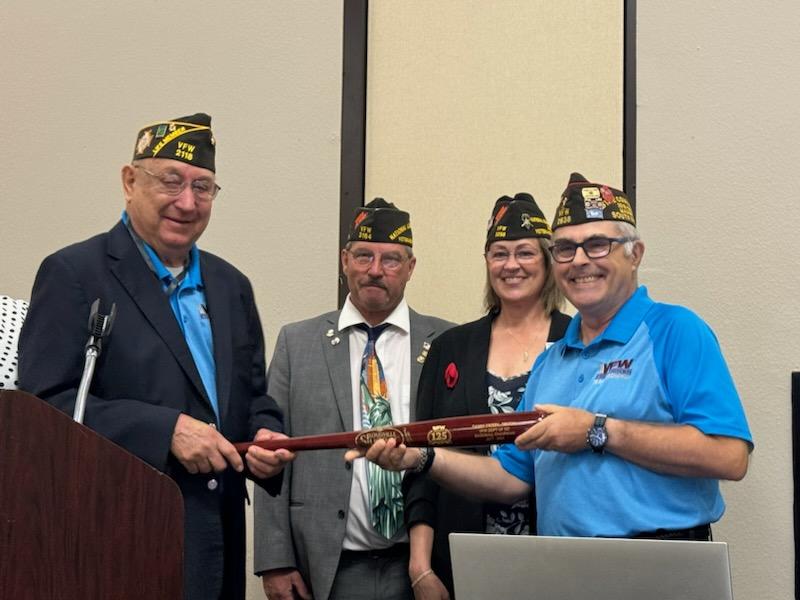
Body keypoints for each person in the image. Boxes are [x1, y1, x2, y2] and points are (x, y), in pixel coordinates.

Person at [348, 172, 752, 547]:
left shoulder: (675, 330)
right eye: (565, 248)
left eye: (597, 244)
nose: (579, 260)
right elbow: (511, 477)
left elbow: (729, 456)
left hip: (660, 559)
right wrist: (419, 456)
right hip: (563, 565)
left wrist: (597, 431)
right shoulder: (552, 361)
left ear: (635, 254)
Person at [18, 113, 293, 600]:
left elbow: (251, 398)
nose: (187, 203)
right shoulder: (74, 274)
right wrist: (163, 430)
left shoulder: (232, 287)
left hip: (218, 549)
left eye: (203, 187)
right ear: (129, 181)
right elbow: (42, 413)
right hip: (117, 543)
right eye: (171, 181)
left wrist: (264, 436)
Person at [253, 198, 453, 600]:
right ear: (345, 260)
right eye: (364, 256)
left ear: (410, 268)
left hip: (419, 565)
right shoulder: (297, 342)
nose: (375, 270)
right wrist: (274, 560)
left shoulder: (446, 342)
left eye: (391, 259)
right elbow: (271, 452)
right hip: (327, 566)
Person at [403, 193, 570, 598]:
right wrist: (420, 567)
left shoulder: (576, 341)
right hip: (460, 558)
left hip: (558, 557)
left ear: (548, 262)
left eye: (525, 253)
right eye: (499, 253)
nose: (511, 265)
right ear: (487, 262)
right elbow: (421, 459)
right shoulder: (452, 347)